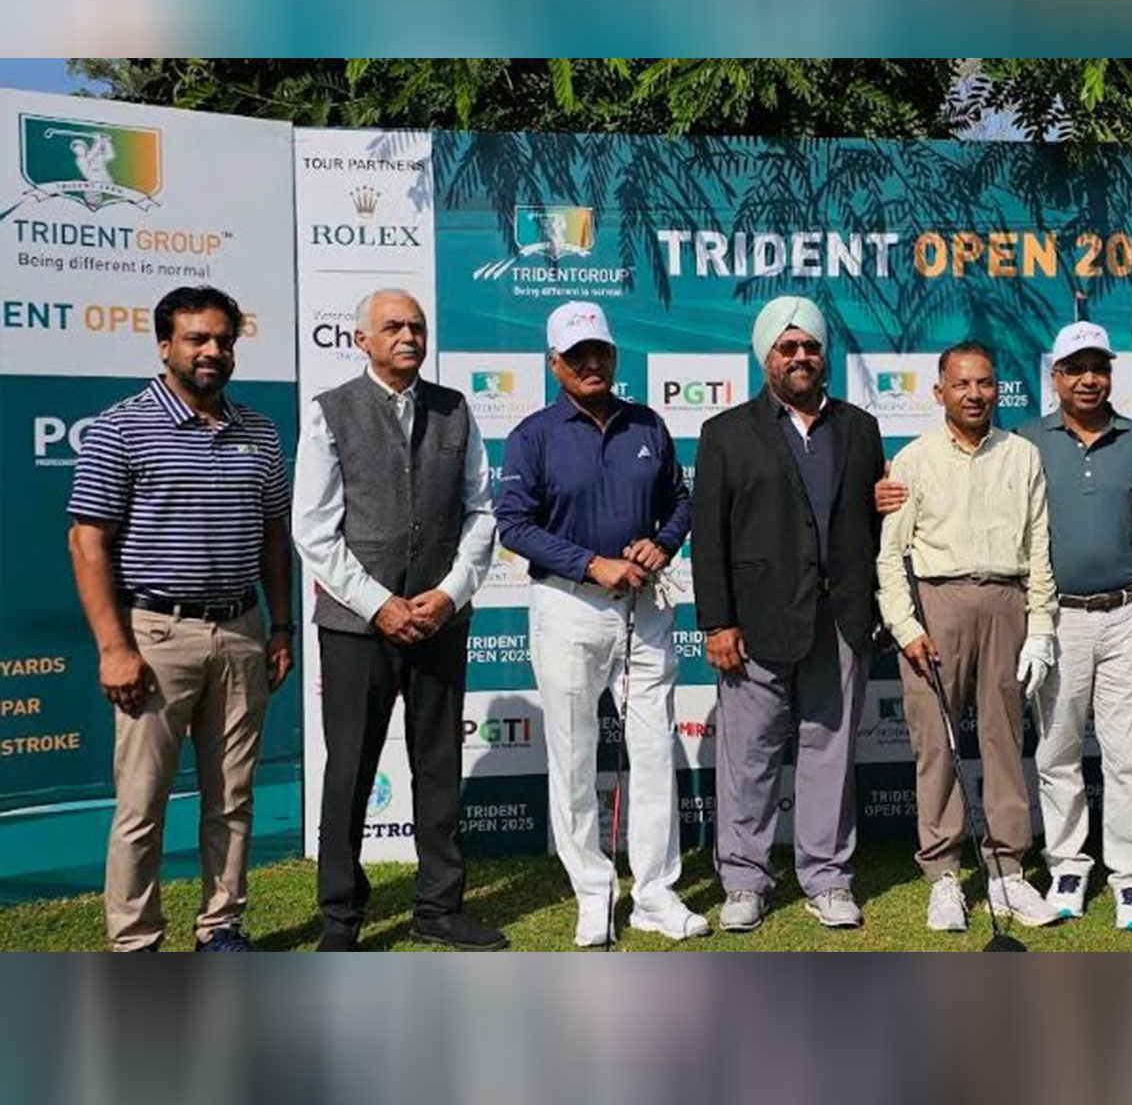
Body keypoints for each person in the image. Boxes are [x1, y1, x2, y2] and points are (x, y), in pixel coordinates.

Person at [68, 284, 295, 953]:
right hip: (155, 636)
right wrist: (114, 647)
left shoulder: (259, 429)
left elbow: (274, 536)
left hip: (242, 631)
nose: (213, 351)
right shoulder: (121, 427)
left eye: (224, 339)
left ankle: (221, 927)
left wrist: (280, 627)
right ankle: (136, 943)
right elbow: (88, 542)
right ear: (165, 345)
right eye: (197, 339)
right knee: (142, 806)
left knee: (232, 796)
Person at [292, 288, 504, 952]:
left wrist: (447, 593)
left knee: (438, 764)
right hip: (357, 627)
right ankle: (341, 919)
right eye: (392, 327)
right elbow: (314, 529)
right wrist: (378, 603)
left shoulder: (457, 410)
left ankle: (439, 908)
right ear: (361, 340)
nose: (408, 336)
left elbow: (483, 513)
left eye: (416, 326)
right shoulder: (330, 413)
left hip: (440, 620)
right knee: (349, 769)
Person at [496, 301, 707, 947]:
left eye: (600, 352)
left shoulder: (648, 423)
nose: (591, 363)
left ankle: (653, 893)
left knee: (651, 752)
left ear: (614, 356)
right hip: (567, 607)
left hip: (644, 606)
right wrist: (592, 564)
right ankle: (593, 890)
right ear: (554, 362)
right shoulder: (532, 435)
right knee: (573, 754)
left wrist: (661, 546)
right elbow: (514, 524)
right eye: (577, 354)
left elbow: (679, 500)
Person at [691, 295, 886, 933]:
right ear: (766, 356)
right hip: (755, 625)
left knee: (829, 755)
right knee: (749, 758)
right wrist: (717, 623)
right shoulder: (725, 432)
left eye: (810, 347)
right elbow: (709, 537)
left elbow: (869, 521)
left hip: (841, 622)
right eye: (787, 347)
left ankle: (827, 878)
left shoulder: (859, 427)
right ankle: (744, 880)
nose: (801, 357)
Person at [876, 339, 1060, 933]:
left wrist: (1041, 625)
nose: (974, 394)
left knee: (1006, 740)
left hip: (1008, 601)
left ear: (997, 388)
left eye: (984, 383)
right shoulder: (913, 460)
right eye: (962, 384)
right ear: (939, 392)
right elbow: (890, 557)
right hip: (937, 604)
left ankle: (1008, 871)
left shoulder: (1023, 455)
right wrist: (906, 627)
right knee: (937, 745)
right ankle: (945, 876)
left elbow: (1039, 547)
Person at [1015, 322, 1132, 931]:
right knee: (1057, 749)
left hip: (1129, 612)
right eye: (1076, 368)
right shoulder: (1027, 440)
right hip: (1056, 618)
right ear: (1055, 376)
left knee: (1131, 754)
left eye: (1099, 367)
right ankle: (1067, 865)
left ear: (1111, 374)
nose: (1089, 379)